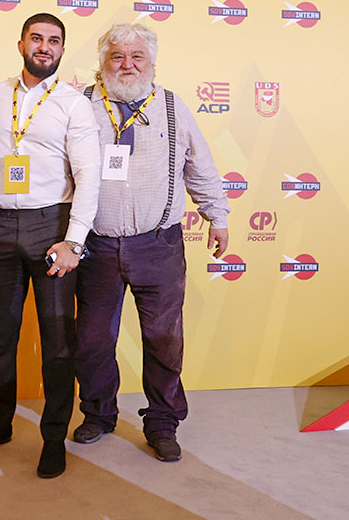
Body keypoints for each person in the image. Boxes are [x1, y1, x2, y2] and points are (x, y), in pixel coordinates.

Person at [72, 23, 230, 462]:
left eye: (136, 56)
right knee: (92, 340)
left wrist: (216, 215)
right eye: (117, 56)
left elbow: (200, 165)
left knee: (164, 339)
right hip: (96, 248)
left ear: (151, 62)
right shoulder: (81, 105)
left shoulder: (173, 107)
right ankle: (98, 414)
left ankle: (162, 421)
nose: (127, 65)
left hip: (158, 246)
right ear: (103, 62)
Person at [0, 13, 100, 479]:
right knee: (1, 337)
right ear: (20, 44)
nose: (45, 46)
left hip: (53, 227)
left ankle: (53, 436)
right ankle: (0, 422)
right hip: (1, 226)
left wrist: (74, 242)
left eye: (54, 41)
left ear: (62, 49)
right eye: (37, 38)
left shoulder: (73, 104)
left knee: (57, 341)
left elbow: (88, 176)